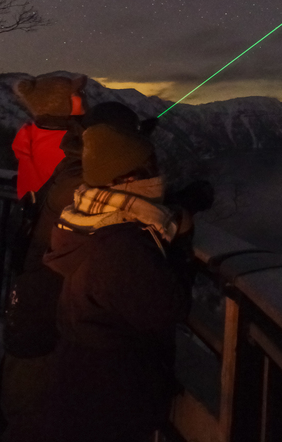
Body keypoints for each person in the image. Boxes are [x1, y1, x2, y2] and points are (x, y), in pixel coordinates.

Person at [41, 121, 193, 442]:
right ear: (127, 178)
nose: (157, 177)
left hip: (82, 385)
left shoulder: (84, 218)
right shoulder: (121, 243)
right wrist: (181, 244)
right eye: (149, 168)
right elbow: (168, 309)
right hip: (114, 396)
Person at [0, 74, 88, 441]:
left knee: (22, 375)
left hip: (34, 260)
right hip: (50, 266)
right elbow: (81, 178)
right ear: (63, 105)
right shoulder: (61, 146)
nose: (84, 99)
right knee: (35, 388)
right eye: (78, 95)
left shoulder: (34, 136)